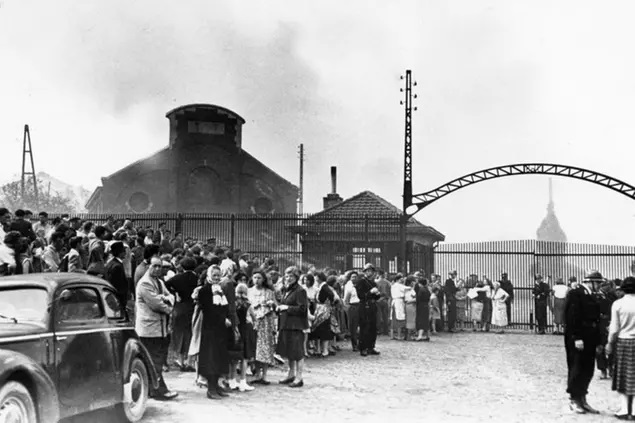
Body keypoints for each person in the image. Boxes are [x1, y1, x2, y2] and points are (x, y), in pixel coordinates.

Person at [135, 257, 178, 400]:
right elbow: (156, 304)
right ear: (148, 266)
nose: (158, 269)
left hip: (160, 329)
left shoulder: (159, 282)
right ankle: (158, 390)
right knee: (154, 360)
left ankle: (153, 389)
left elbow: (171, 296)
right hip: (149, 329)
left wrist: (166, 299)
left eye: (160, 266)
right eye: (155, 266)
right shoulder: (144, 283)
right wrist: (168, 307)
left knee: (157, 359)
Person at [564, 269, 603, 414]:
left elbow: (596, 320)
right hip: (579, 337)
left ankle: (583, 398)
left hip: (590, 336)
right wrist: (576, 337)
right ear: (589, 282)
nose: (599, 286)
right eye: (597, 283)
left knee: (588, 369)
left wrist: (598, 341)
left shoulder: (592, 295)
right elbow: (572, 317)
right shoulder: (576, 293)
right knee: (577, 367)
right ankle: (574, 399)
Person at [197, 264, 232, 400]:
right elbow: (209, 310)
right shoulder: (204, 290)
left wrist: (226, 318)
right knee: (211, 358)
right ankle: (211, 389)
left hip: (220, 330)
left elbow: (224, 307)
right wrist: (222, 319)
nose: (217, 278)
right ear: (209, 276)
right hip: (210, 329)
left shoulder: (220, 290)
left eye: (218, 275)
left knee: (219, 357)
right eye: (214, 275)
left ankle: (217, 386)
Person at [606, 276, 635, 419]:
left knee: (623, 376)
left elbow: (614, 328)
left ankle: (624, 409)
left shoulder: (618, 304)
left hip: (624, 341)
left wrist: (610, 343)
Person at [276, 266, 308, 387]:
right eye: (287, 276)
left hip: (296, 325)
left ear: (296, 277)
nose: (288, 278)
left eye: (291, 276)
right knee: (289, 351)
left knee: (298, 352)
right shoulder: (286, 290)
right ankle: (291, 374)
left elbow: (302, 309)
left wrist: (287, 308)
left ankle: (299, 377)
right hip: (286, 324)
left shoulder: (300, 291)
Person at [355, 263, 381, 356]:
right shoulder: (361, 282)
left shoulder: (374, 283)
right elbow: (361, 296)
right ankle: (363, 348)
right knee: (364, 327)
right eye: (368, 271)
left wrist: (377, 294)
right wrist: (370, 292)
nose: (370, 273)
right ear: (365, 272)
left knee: (373, 328)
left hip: (372, 306)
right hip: (364, 306)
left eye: (371, 271)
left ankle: (371, 347)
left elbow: (376, 297)